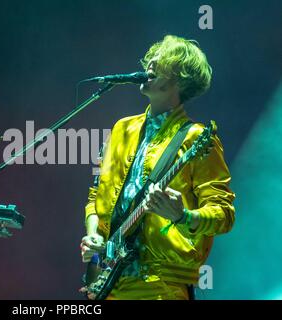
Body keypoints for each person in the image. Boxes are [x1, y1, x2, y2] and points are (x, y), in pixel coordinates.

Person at [80, 35, 235, 300]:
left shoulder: (196, 138)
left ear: (181, 78)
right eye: (150, 58)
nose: (150, 63)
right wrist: (93, 236)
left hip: (161, 284)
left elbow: (224, 214)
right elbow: (96, 196)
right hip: (109, 280)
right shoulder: (121, 129)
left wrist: (183, 216)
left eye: (161, 62)